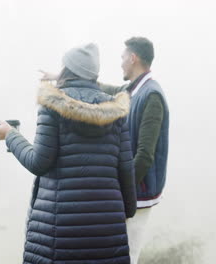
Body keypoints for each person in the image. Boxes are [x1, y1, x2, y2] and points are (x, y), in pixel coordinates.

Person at [0, 43, 136, 264]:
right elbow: (126, 169)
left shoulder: (52, 105)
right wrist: (124, 213)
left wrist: (11, 135)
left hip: (58, 233)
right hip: (108, 228)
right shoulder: (116, 110)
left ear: (67, 70)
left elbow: (39, 162)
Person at [41, 36, 169, 264]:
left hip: (137, 195)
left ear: (133, 58)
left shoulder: (152, 96)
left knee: (129, 255)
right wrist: (63, 77)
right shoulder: (134, 89)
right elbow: (109, 88)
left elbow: (145, 155)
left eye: (122, 58)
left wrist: (123, 194)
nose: (120, 63)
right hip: (129, 192)